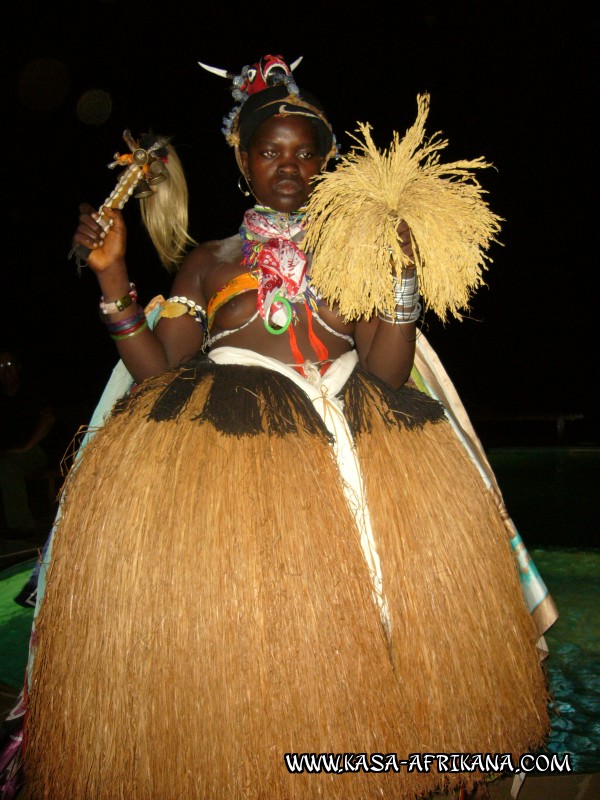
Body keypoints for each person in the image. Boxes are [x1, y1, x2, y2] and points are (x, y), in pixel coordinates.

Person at [7, 56, 556, 800]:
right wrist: (113, 282)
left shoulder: (352, 250)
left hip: (358, 443)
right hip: (231, 463)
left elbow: (387, 374)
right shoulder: (207, 263)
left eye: (305, 152)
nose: (288, 166)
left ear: (326, 163)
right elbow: (160, 376)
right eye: (272, 151)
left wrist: (399, 277)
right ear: (244, 161)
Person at [0, 350, 56, 539]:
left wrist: (26, 447)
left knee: (8, 467)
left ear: (18, 368)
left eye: (9, 366)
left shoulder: (31, 392)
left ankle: (22, 527)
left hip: (35, 450)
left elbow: (49, 418)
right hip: (9, 453)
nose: (5, 372)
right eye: (0, 367)